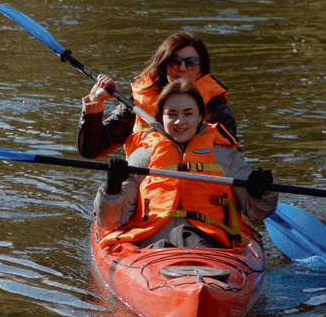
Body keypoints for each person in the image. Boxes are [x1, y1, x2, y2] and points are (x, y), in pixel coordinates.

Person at [95, 84, 279, 249]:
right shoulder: (141, 157)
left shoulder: (225, 156)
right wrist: (112, 189)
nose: (179, 122)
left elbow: (256, 212)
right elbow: (111, 222)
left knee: (186, 236)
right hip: (152, 245)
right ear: (160, 117)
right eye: (171, 114)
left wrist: (262, 192)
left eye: (188, 114)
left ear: (200, 116)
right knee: (169, 241)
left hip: (211, 244)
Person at [77, 31, 238, 159]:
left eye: (191, 63)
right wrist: (95, 102)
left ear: (201, 70)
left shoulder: (215, 109)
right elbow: (91, 149)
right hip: (146, 189)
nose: (182, 68)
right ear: (164, 66)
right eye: (174, 61)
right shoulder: (136, 104)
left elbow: (231, 159)